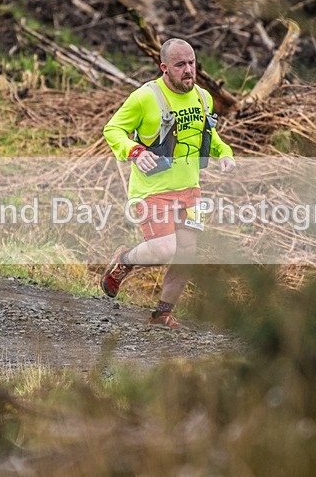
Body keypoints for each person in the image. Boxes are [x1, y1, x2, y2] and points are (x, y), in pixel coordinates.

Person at [101, 38, 236, 328]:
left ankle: (161, 314)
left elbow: (210, 137)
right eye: (180, 65)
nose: (188, 70)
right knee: (164, 249)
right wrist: (135, 152)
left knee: (186, 254)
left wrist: (225, 153)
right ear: (164, 68)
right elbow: (113, 130)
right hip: (152, 190)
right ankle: (124, 260)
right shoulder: (145, 97)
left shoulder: (203, 97)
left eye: (192, 63)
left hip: (189, 189)